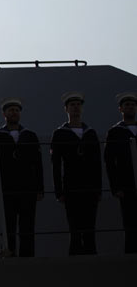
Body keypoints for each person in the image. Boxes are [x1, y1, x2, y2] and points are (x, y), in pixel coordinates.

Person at [0, 98, 43, 257]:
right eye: (11, 110)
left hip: (27, 189)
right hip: (7, 189)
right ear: (4, 114)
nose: (14, 113)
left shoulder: (30, 136)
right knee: (8, 226)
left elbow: (37, 164)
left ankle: (28, 257)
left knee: (27, 227)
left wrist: (39, 188)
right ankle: (9, 256)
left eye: (16, 110)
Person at [51, 92, 102, 255]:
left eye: (78, 105)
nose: (76, 108)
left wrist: (98, 188)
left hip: (90, 186)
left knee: (90, 228)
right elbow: (56, 164)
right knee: (74, 229)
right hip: (71, 186)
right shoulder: (60, 134)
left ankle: (91, 259)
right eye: (72, 105)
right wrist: (59, 191)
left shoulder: (90, 133)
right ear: (66, 109)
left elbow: (97, 163)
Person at [105, 92, 137, 254]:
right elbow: (110, 161)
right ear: (121, 109)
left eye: (132, 105)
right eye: (126, 105)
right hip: (127, 184)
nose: (130, 107)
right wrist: (116, 186)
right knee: (130, 222)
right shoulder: (115, 132)